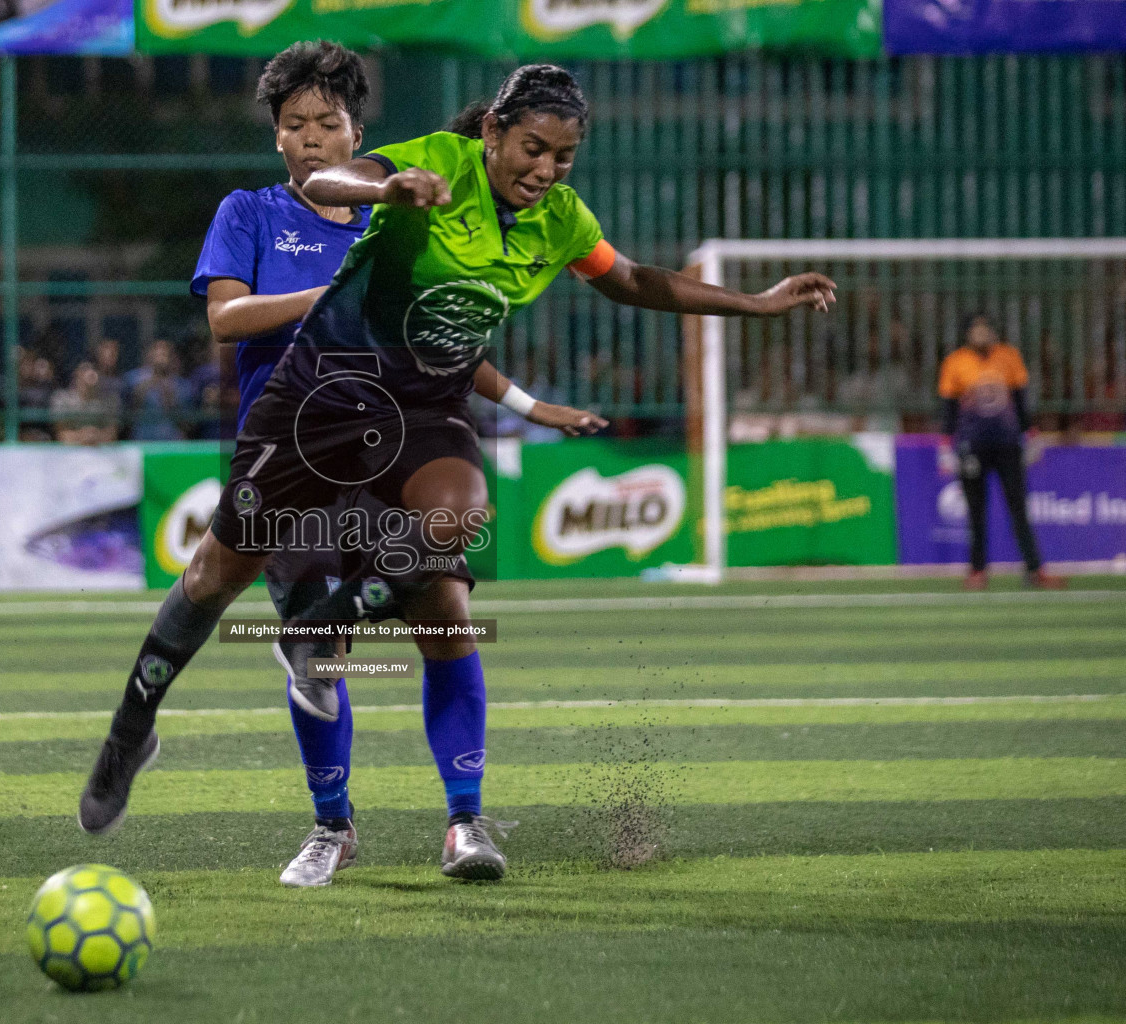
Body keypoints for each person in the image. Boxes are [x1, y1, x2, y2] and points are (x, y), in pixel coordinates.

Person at [78, 63, 835, 882]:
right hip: (316, 401)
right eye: (533, 149)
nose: (545, 169)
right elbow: (332, 182)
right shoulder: (426, 163)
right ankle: (135, 730)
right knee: (211, 577)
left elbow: (634, 280)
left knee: (452, 548)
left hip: (421, 411)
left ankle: (454, 809)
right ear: (493, 134)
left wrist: (755, 303)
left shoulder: (558, 220)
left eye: (563, 157)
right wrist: (389, 192)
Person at [188, 41, 607, 887]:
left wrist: (526, 406)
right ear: (276, 137)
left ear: (358, 131)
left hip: (407, 438)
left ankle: (465, 821)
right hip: (298, 450)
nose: (312, 138)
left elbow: (447, 339)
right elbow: (227, 323)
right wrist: (332, 296)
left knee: (444, 610)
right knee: (319, 645)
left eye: (328, 122)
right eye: (294, 125)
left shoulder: (407, 212)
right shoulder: (250, 213)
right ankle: (331, 826)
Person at [938, 313, 1066, 590]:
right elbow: (948, 408)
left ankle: (1035, 570)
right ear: (967, 333)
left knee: (1019, 509)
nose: (982, 333)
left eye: (987, 328)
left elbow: (1020, 402)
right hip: (972, 445)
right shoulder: (955, 362)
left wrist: (1030, 435)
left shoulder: (1008, 357)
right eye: (977, 328)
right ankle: (977, 570)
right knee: (976, 511)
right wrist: (946, 445)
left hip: (1007, 444)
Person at [124, 339, 186, 441]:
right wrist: (144, 388)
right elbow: (128, 410)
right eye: (157, 354)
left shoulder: (181, 385)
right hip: (142, 438)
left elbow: (186, 421)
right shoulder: (133, 379)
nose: (160, 359)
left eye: (164, 355)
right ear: (149, 356)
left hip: (171, 439)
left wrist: (169, 396)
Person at [51, 360, 120, 445]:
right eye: (84, 370)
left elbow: (112, 434)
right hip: (69, 452)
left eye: (94, 370)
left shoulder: (110, 400)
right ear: (76, 375)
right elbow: (61, 434)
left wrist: (95, 436)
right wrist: (82, 436)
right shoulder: (62, 399)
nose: (90, 374)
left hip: (101, 452)